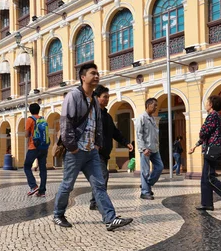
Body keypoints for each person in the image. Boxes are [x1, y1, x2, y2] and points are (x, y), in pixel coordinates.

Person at [53, 62, 133, 231]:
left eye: (97, 73)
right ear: (83, 77)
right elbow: (65, 123)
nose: (96, 76)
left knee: (99, 185)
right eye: (93, 73)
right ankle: (58, 214)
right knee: (68, 185)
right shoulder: (73, 96)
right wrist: (72, 147)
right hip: (76, 152)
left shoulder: (94, 101)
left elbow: (98, 125)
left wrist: (97, 144)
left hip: (91, 152)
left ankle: (110, 219)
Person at [89, 85, 133, 210]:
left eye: (108, 97)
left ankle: (94, 202)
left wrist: (126, 143)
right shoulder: (92, 114)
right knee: (103, 176)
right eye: (105, 97)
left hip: (104, 152)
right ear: (97, 98)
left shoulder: (107, 116)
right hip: (95, 152)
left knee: (99, 177)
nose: (107, 99)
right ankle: (100, 204)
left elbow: (115, 132)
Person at [188, 95, 221, 211]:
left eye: (207, 102)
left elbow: (203, 133)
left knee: (209, 177)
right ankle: (207, 203)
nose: (205, 104)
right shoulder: (216, 116)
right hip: (211, 149)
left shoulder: (212, 116)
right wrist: (195, 146)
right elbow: (207, 135)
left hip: (211, 150)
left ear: (211, 105)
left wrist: (202, 130)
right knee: (205, 178)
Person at [136, 98, 163, 200]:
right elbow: (139, 134)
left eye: (156, 105)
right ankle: (145, 192)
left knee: (160, 167)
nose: (156, 107)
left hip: (155, 149)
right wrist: (143, 148)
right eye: (154, 105)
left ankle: (146, 184)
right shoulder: (142, 118)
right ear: (148, 105)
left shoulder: (152, 118)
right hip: (145, 149)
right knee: (145, 171)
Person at [24, 102, 48, 198]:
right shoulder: (43, 119)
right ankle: (42, 191)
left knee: (26, 166)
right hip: (43, 147)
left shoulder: (30, 120)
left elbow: (26, 134)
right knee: (43, 169)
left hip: (33, 147)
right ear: (38, 110)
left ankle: (33, 186)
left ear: (30, 111)